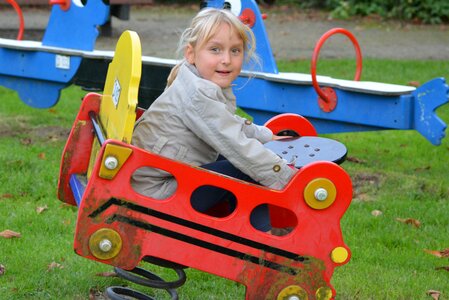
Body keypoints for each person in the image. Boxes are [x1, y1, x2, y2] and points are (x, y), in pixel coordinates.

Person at [131, 8, 296, 233]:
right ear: (191, 53)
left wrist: (265, 136)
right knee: (245, 166)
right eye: (215, 50)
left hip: (155, 181)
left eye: (235, 51)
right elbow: (236, 145)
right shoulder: (198, 94)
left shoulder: (193, 77)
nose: (226, 60)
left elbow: (227, 123)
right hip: (157, 194)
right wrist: (287, 178)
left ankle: (259, 230)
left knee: (242, 161)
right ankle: (265, 241)